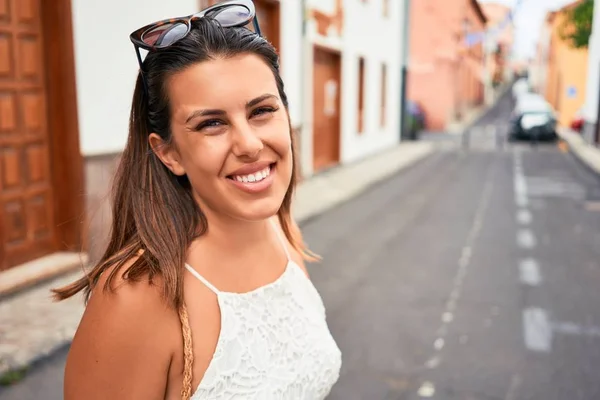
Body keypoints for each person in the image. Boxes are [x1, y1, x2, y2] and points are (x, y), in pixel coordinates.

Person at [54, 1, 342, 398]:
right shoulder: (137, 296)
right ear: (168, 152)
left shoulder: (281, 230)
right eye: (211, 123)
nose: (249, 144)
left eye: (262, 110)